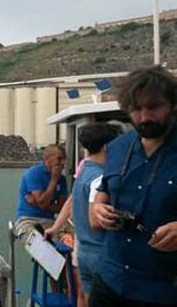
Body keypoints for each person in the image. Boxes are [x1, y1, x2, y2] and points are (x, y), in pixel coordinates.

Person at [89, 66, 177, 306]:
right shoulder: (117, 147)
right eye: (137, 109)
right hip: (109, 280)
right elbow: (104, 190)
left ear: (172, 104)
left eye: (154, 106)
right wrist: (98, 207)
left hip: (163, 289)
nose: (145, 117)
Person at [45, 123, 121, 307]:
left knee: (82, 296)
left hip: (82, 250)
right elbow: (95, 221)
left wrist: (55, 228)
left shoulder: (83, 171)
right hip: (99, 251)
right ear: (106, 146)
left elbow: (70, 202)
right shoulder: (99, 178)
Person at [15, 144, 68, 235]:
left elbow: (61, 207)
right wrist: (53, 180)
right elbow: (42, 202)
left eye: (64, 159)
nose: (62, 163)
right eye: (59, 159)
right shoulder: (33, 174)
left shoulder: (62, 179)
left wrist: (39, 204)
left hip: (50, 221)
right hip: (29, 220)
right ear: (48, 159)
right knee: (40, 244)